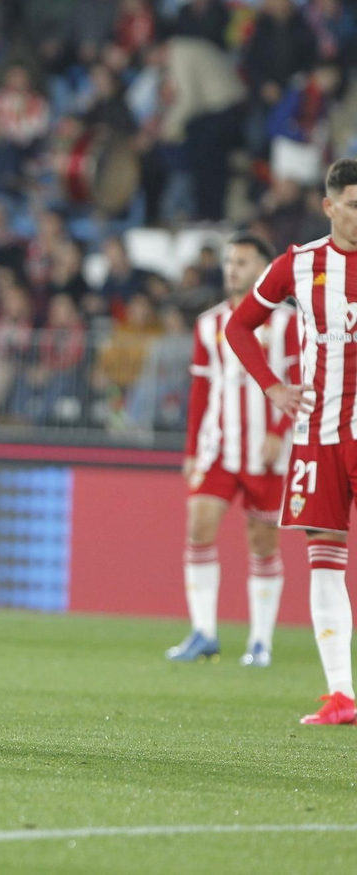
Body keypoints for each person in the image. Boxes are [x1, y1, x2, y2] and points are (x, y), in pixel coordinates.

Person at [225, 159, 357, 725]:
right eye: (353, 205)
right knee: (325, 561)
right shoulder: (299, 264)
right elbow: (238, 326)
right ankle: (341, 695)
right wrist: (273, 386)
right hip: (318, 435)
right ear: (330, 207)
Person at [168, 235, 296, 666]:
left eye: (242, 262)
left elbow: (301, 382)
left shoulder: (288, 323)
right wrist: (191, 450)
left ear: (263, 268)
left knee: (262, 540)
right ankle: (204, 632)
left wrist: (279, 430)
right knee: (199, 525)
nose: (232, 269)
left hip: (267, 451)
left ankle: (260, 642)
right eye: (229, 261)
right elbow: (201, 390)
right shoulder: (209, 324)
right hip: (219, 447)